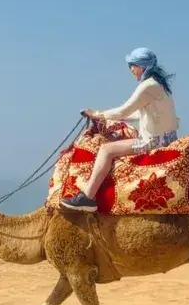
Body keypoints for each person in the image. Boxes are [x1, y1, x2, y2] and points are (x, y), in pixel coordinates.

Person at [59, 47, 181, 212]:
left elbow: (124, 110)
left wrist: (97, 114)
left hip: (152, 142)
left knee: (106, 149)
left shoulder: (147, 86)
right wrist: (110, 117)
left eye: (132, 65)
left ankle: (87, 197)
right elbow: (138, 114)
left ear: (142, 66)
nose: (131, 70)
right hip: (167, 139)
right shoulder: (160, 85)